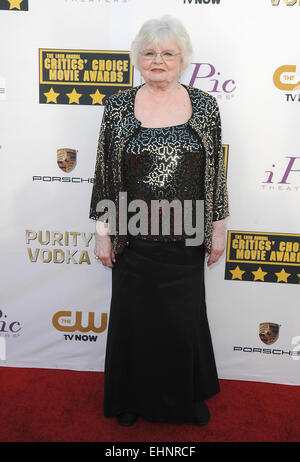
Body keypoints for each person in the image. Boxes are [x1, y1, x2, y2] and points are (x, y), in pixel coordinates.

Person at [89, 15, 229, 427]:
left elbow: (216, 174)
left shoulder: (204, 105)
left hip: (185, 235)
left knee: (181, 321)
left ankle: (183, 397)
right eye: (149, 53)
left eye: (168, 53)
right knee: (135, 322)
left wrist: (217, 228)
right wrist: (102, 234)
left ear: (182, 59)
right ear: (137, 58)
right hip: (133, 237)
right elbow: (103, 174)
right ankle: (130, 397)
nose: (158, 60)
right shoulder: (117, 107)